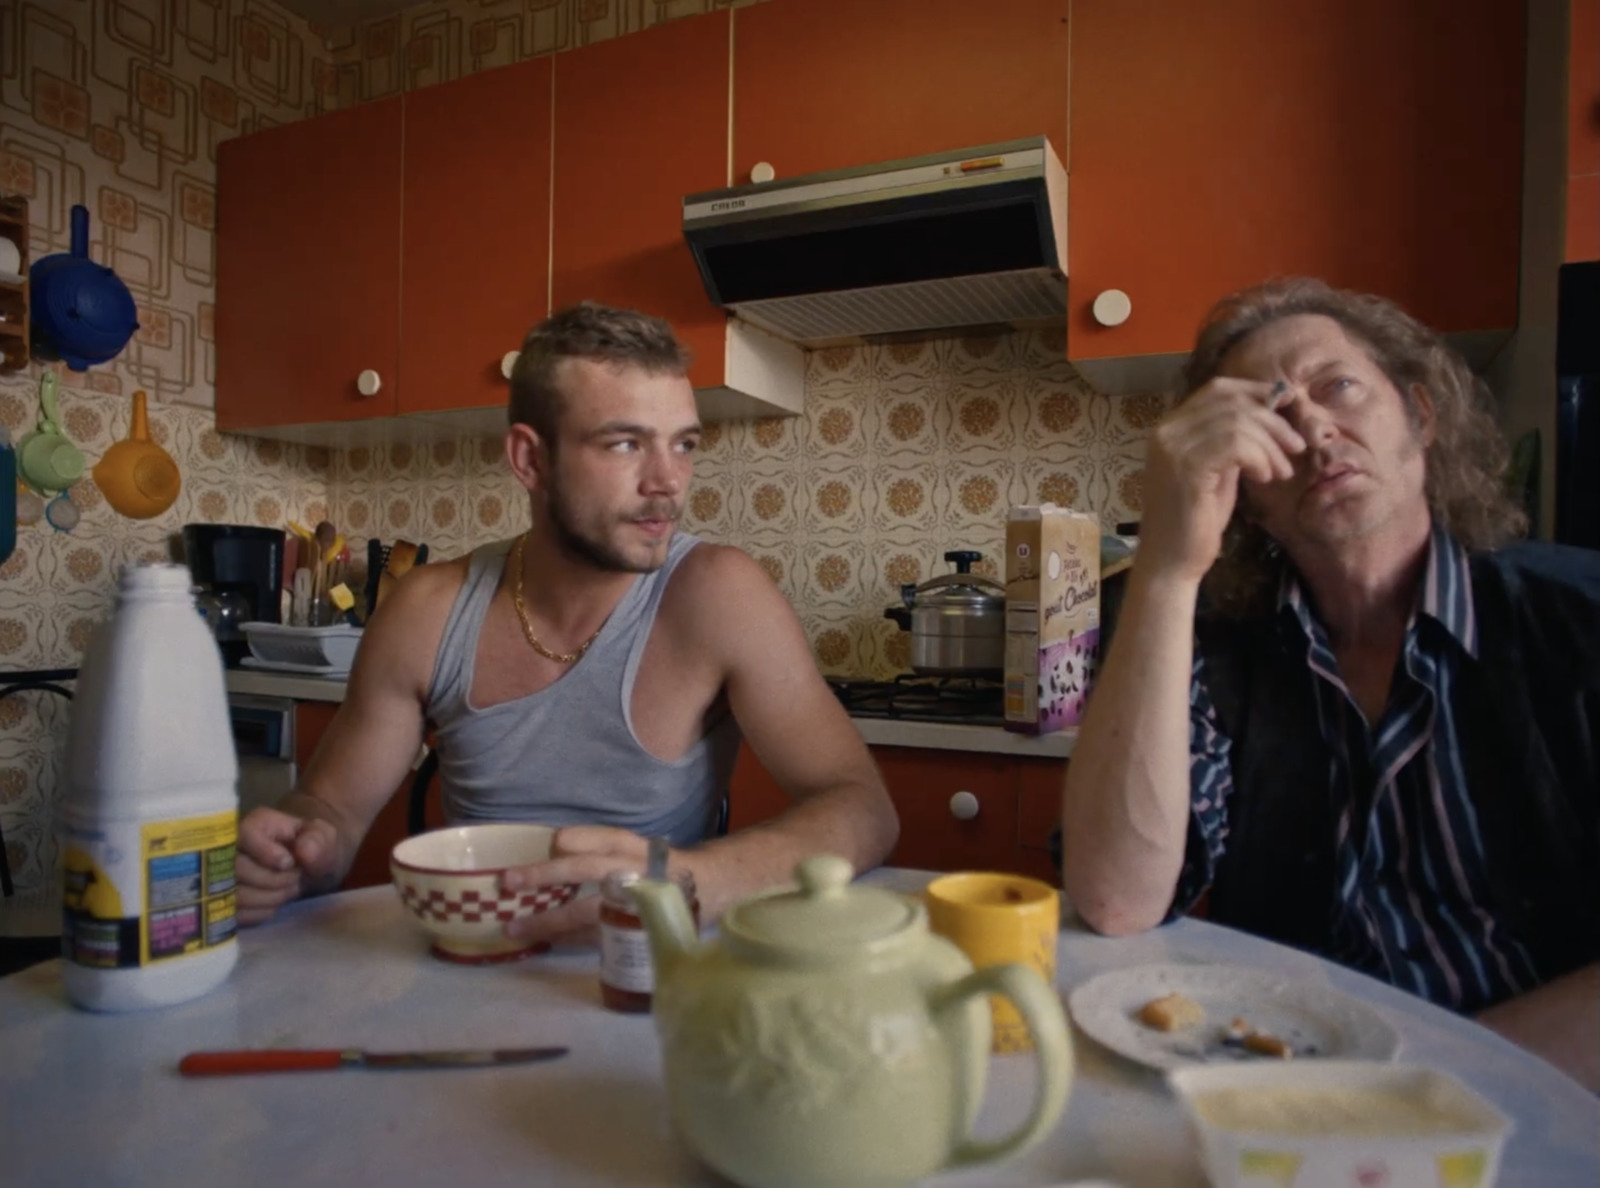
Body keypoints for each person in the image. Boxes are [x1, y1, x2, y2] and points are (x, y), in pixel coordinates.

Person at [1061, 278, 1600, 1090]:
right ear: (1245, 489)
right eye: (1270, 415)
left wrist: (1429, 1082)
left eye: (1338, 386)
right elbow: (1116, 903)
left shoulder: (1579, 622)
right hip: (1280, 1091)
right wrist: (1169, 569)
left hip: (1534, 1104)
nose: (1312, 425)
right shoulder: (1207, 646)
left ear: (1420, 417)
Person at [237, 302, 899, 941]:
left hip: (646, 979)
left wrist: (690, 878)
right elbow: (332, 811)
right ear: (530, 460)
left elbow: (861, 807)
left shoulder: (718, 595)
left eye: (683, 444)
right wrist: (298, 848)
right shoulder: (426, 611)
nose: (668, 480)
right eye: (624, 444)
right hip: (477, 969)